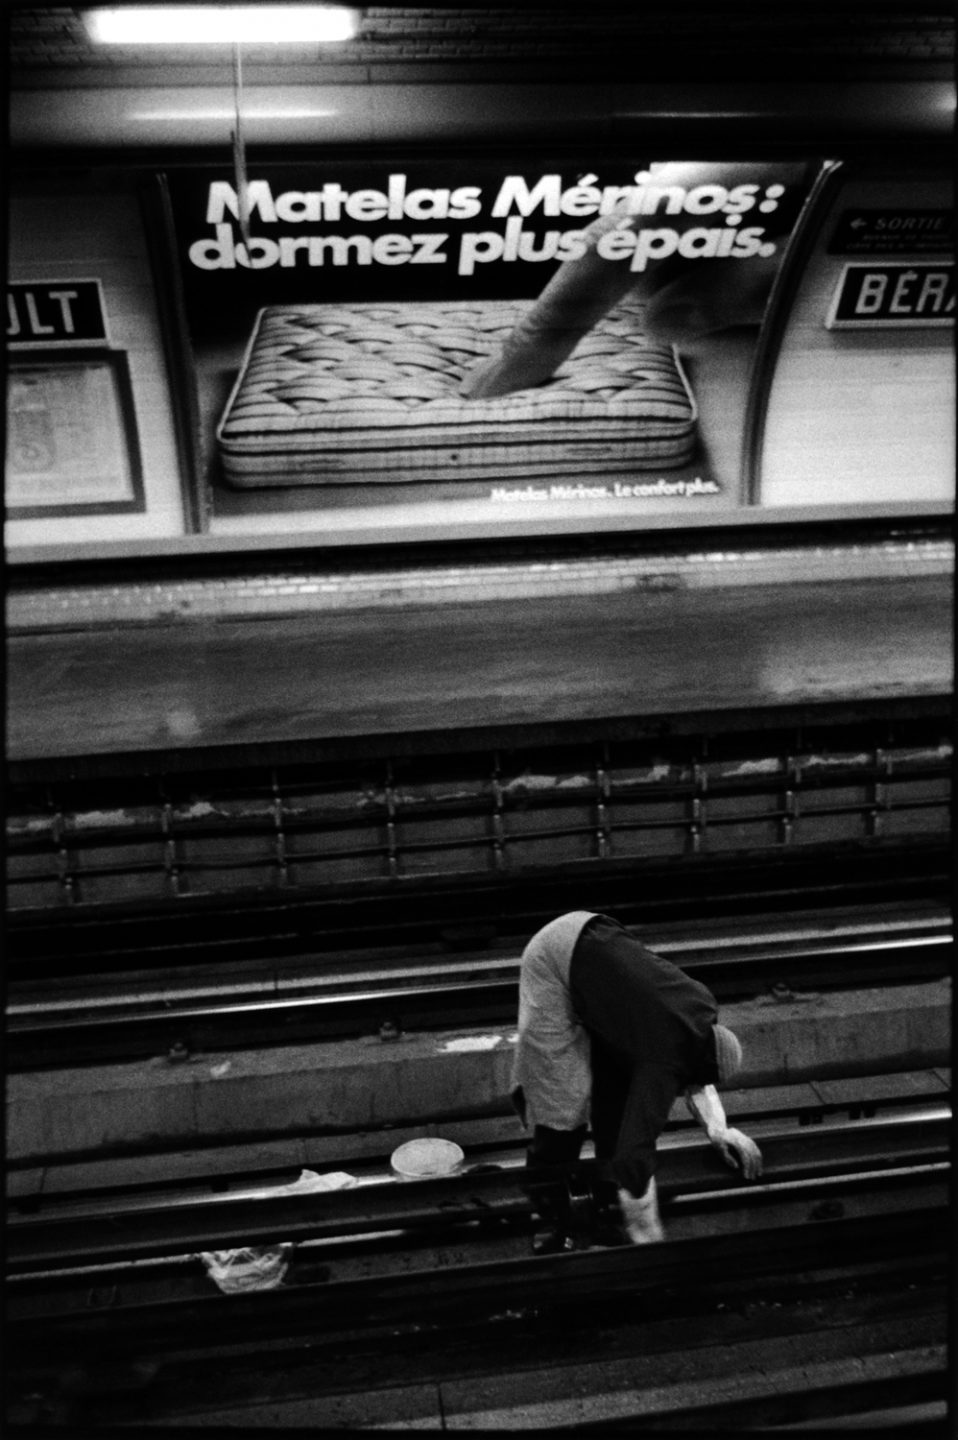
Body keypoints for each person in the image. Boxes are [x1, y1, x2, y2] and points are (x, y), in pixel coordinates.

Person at [511, 910, 762, 1248]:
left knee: (619, 1098)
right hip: (553, 960)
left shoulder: (702, 1008)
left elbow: (697, 1075)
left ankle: (604, 1199)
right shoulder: (663, 1062)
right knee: (563, 1104)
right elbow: (634, 1158)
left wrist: (718, 1128)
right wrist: (649, 1239)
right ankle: (547, 1212)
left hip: (595, 932)